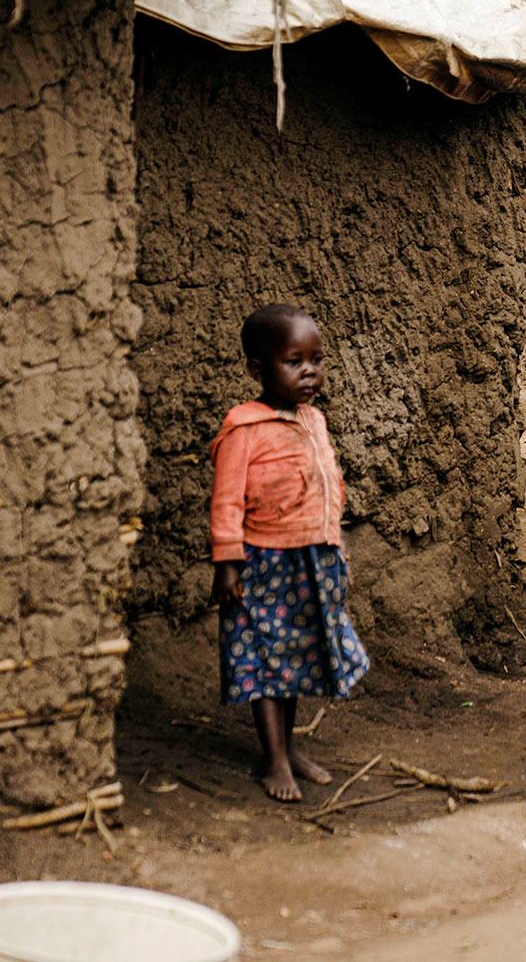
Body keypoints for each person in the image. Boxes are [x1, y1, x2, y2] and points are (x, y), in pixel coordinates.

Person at [209, 304, 370, 802]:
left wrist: (332, 547)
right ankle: (273, 759)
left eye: (316, 359)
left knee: (295, 657)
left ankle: (289, 749)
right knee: (264, 656)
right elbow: (227, 498)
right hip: (263, 563)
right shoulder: (243, 427)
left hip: (310, 560)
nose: (309, 371)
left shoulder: (313, 419)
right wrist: (228, 562)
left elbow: (327, 483)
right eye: (294, 361)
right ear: (259, 369)